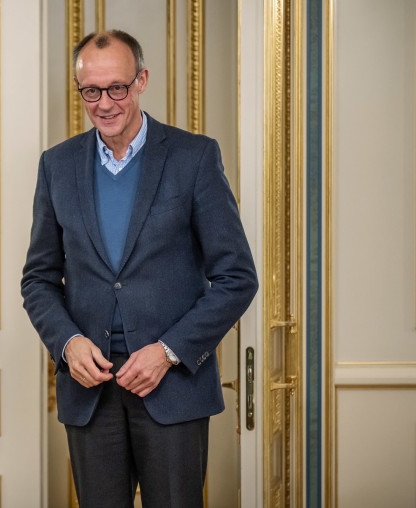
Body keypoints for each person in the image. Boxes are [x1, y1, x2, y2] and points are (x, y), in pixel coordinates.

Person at [21, 30, 258, 507]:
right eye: (91, 90)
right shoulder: (57, 165)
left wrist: (168, 352)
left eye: (117, 88)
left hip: (173, 389)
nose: (104, 103)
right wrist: (68, 344)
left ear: (141, 80)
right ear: (79, 89)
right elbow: (39, 279)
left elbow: (237, 278)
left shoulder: (194, 157)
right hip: (91, 392)